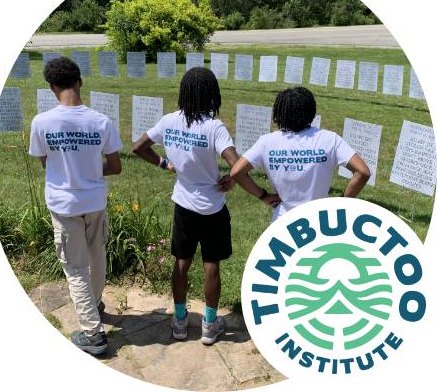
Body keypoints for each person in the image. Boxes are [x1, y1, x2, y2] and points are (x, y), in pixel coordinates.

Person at [132, 67, 277, 345]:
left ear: (184, 92)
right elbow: (237, 165)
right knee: (211, 266)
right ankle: (210, 325)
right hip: (212, 208)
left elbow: (139, 147)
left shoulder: (168, 121)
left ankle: (179, 321)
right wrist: (259, 193)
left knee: (181, 262)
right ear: (212, 94)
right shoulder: (213, 127)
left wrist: (164, 163)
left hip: (183, 204)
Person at [29, 57, 122, 355]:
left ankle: (93, 333)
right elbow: (115, 166)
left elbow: (47, 163)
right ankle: (94, 305)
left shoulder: (42, 123)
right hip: (95, 201)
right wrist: (91, 171)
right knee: (97, 256)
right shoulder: (101, 121)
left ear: (51, 87)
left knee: (75, 267)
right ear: (80, 81)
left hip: (64, 204)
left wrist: (71, 171)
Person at [230, 86, 371, 221]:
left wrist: (263, 195)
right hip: (320, 220)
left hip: (283, 221)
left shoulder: (267, 142)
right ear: (312, 112)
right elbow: (363, 172)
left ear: (279, 113)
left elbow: (236, 172)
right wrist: (339, 204)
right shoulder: (329, 139)